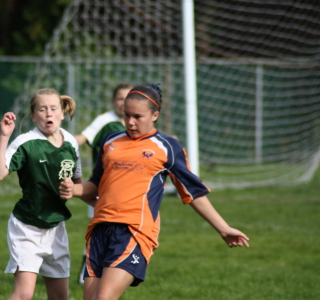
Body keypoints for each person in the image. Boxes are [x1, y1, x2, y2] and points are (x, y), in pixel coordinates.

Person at [59, 84, 250, 300]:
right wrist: (73, 189)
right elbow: (96, 184)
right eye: (126, 115)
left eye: (137, 116)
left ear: (155, 115)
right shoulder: (110, 140)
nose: (130, 122)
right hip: (99, 229)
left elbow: (192, 192)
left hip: (134, 230)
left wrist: (223, 229)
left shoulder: (167, 147)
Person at [0, 88, 82, 300]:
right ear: (33, 116)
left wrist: (97, 202)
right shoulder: (25, 143)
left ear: (62, 113)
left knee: (61, 297)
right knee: (24, 294)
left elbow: (78, 185)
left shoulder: (71, 143)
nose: (48, 114)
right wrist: (4, 137)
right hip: (27, 227)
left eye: (53, 109)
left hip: (56, 227)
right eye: (42, 110)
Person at [74, 82, 133, 284]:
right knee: (99, 230)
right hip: (103, 187)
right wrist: (58, 143)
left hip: (127, 189)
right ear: (112, 101)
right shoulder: (105, 121)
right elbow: (80, 139)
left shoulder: (135, 122)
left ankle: (107, 273)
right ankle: (87, 274)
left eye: (128, 98)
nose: (123, 103)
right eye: (119, 98)